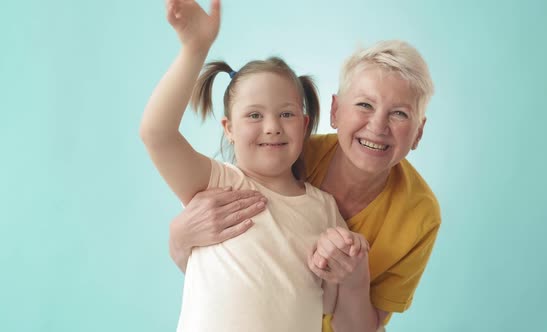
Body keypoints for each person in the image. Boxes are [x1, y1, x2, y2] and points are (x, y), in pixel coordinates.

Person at [168, 18, 440, 332]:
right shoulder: (282, 154)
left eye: (400, 113)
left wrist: (354, 281)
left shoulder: (419, 215)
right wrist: (180, 239)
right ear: (335, 111)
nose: (378, 126)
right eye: (365, 105)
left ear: (418, 133)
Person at [140, 0, 368, 331]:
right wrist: (195, 48)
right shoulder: (216, 182)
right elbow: (155, 134)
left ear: (304, 125)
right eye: (254, 115)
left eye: (286, 113)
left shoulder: (325, 209)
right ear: (229, 129)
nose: (272, 126)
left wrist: (350, 264)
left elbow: (329, 304)